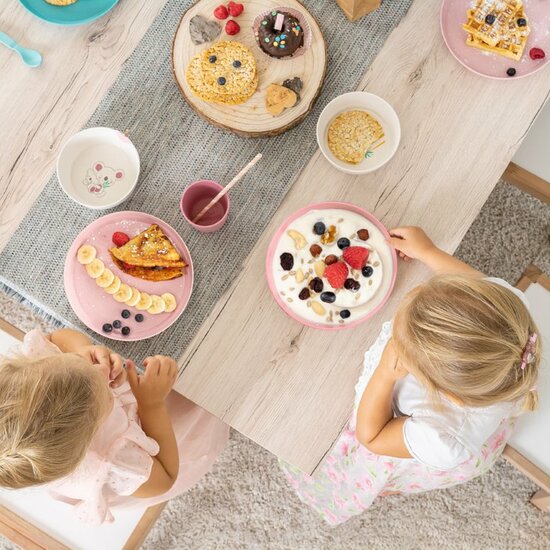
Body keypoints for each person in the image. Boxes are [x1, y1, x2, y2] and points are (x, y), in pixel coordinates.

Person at [280, 227, 540, 526]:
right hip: (489, 397)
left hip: (410, 438)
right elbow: (476, 287)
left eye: (404, 341)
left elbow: (373, 437)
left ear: (438, 388)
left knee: (356, 461)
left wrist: (383, 377)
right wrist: (430, 253)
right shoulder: (506, 313)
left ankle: (386, 484)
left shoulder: (439, 436)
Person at [0, 328, 229, 525]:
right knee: (207, 397)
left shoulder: (35, 375)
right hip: (157, 444)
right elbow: (166, 476)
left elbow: (57, 338)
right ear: (97, 424)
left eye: (79, 364)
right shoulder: (115, 459)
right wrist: (151, 405)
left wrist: (82, 351)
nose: (100, 369)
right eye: (100, 385)